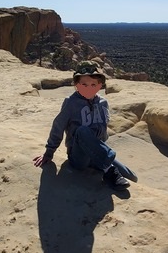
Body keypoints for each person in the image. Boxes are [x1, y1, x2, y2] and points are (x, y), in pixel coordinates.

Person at [33, 61, 136, 190]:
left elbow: (103, 132)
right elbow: (58, 126)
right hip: (78, 157)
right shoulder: (71, 103)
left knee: (132, 177)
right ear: (76, 84)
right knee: (82, 130)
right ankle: (108, 170)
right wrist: (49, 153)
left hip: (96, 153)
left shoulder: (103, 103)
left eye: (94, 84)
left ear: (100, 85)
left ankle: (107, 167)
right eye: (84, 84)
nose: (89, 88)